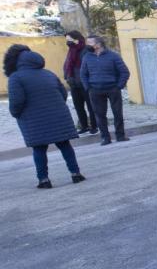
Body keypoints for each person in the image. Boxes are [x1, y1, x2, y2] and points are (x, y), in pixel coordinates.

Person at [5, 45, 85, 188]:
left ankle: (44, 180)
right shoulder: (48, 73)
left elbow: (17, 101)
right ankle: (76, 173)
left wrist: (15, 113)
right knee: (65, 145)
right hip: (59, 116)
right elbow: (63, 94)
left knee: (39, 149)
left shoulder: (15, 77)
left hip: (33, 120)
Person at [80, 34, 130, 145]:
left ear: (98, 44)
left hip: (112, 88)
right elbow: (83, 74)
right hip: (95, 90)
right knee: (99, 115)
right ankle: (105, 138)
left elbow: (124, 72)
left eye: (90, 43)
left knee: (118, 113)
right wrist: (88, 87)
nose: (87, 46)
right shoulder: (87, 57)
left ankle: (120, 136)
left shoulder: (113, 56)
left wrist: (119, 86)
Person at [63, 30, 96, 134]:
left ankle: (94, 126)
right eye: (67, 40)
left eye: (69, 40)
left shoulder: (86, 50)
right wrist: (67, 77)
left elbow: (87, 67)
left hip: (85, 83)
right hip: (74, 84)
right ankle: (84, 126)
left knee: (91, 106)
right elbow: (67, 66)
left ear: (77, 39)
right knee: (78, 107)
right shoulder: (71, 51)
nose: (68, 42)